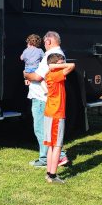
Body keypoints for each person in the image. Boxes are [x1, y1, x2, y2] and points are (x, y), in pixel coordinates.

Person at [23, 31, 67, 167]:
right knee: (48, 130)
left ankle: (49, 158)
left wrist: (26, 74)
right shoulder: (59, 54)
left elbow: (37, 76)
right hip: (48, 97)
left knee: (41, 129)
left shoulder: (50, 55)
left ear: (48, 41)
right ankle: (57, 155)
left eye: (44, 42)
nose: (44, 45)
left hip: (41, 97)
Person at [43, 53, 75, 184]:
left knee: (51, 146)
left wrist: (55, 65)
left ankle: (49, 173)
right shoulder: (55, 74)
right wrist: (55, 65)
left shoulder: (50, 74)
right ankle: (52, 175)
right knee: (57, 146)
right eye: (61, 62)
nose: (63, 63)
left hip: (50, 113)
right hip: (56, 114)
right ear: (55, 64)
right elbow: (72, 65)